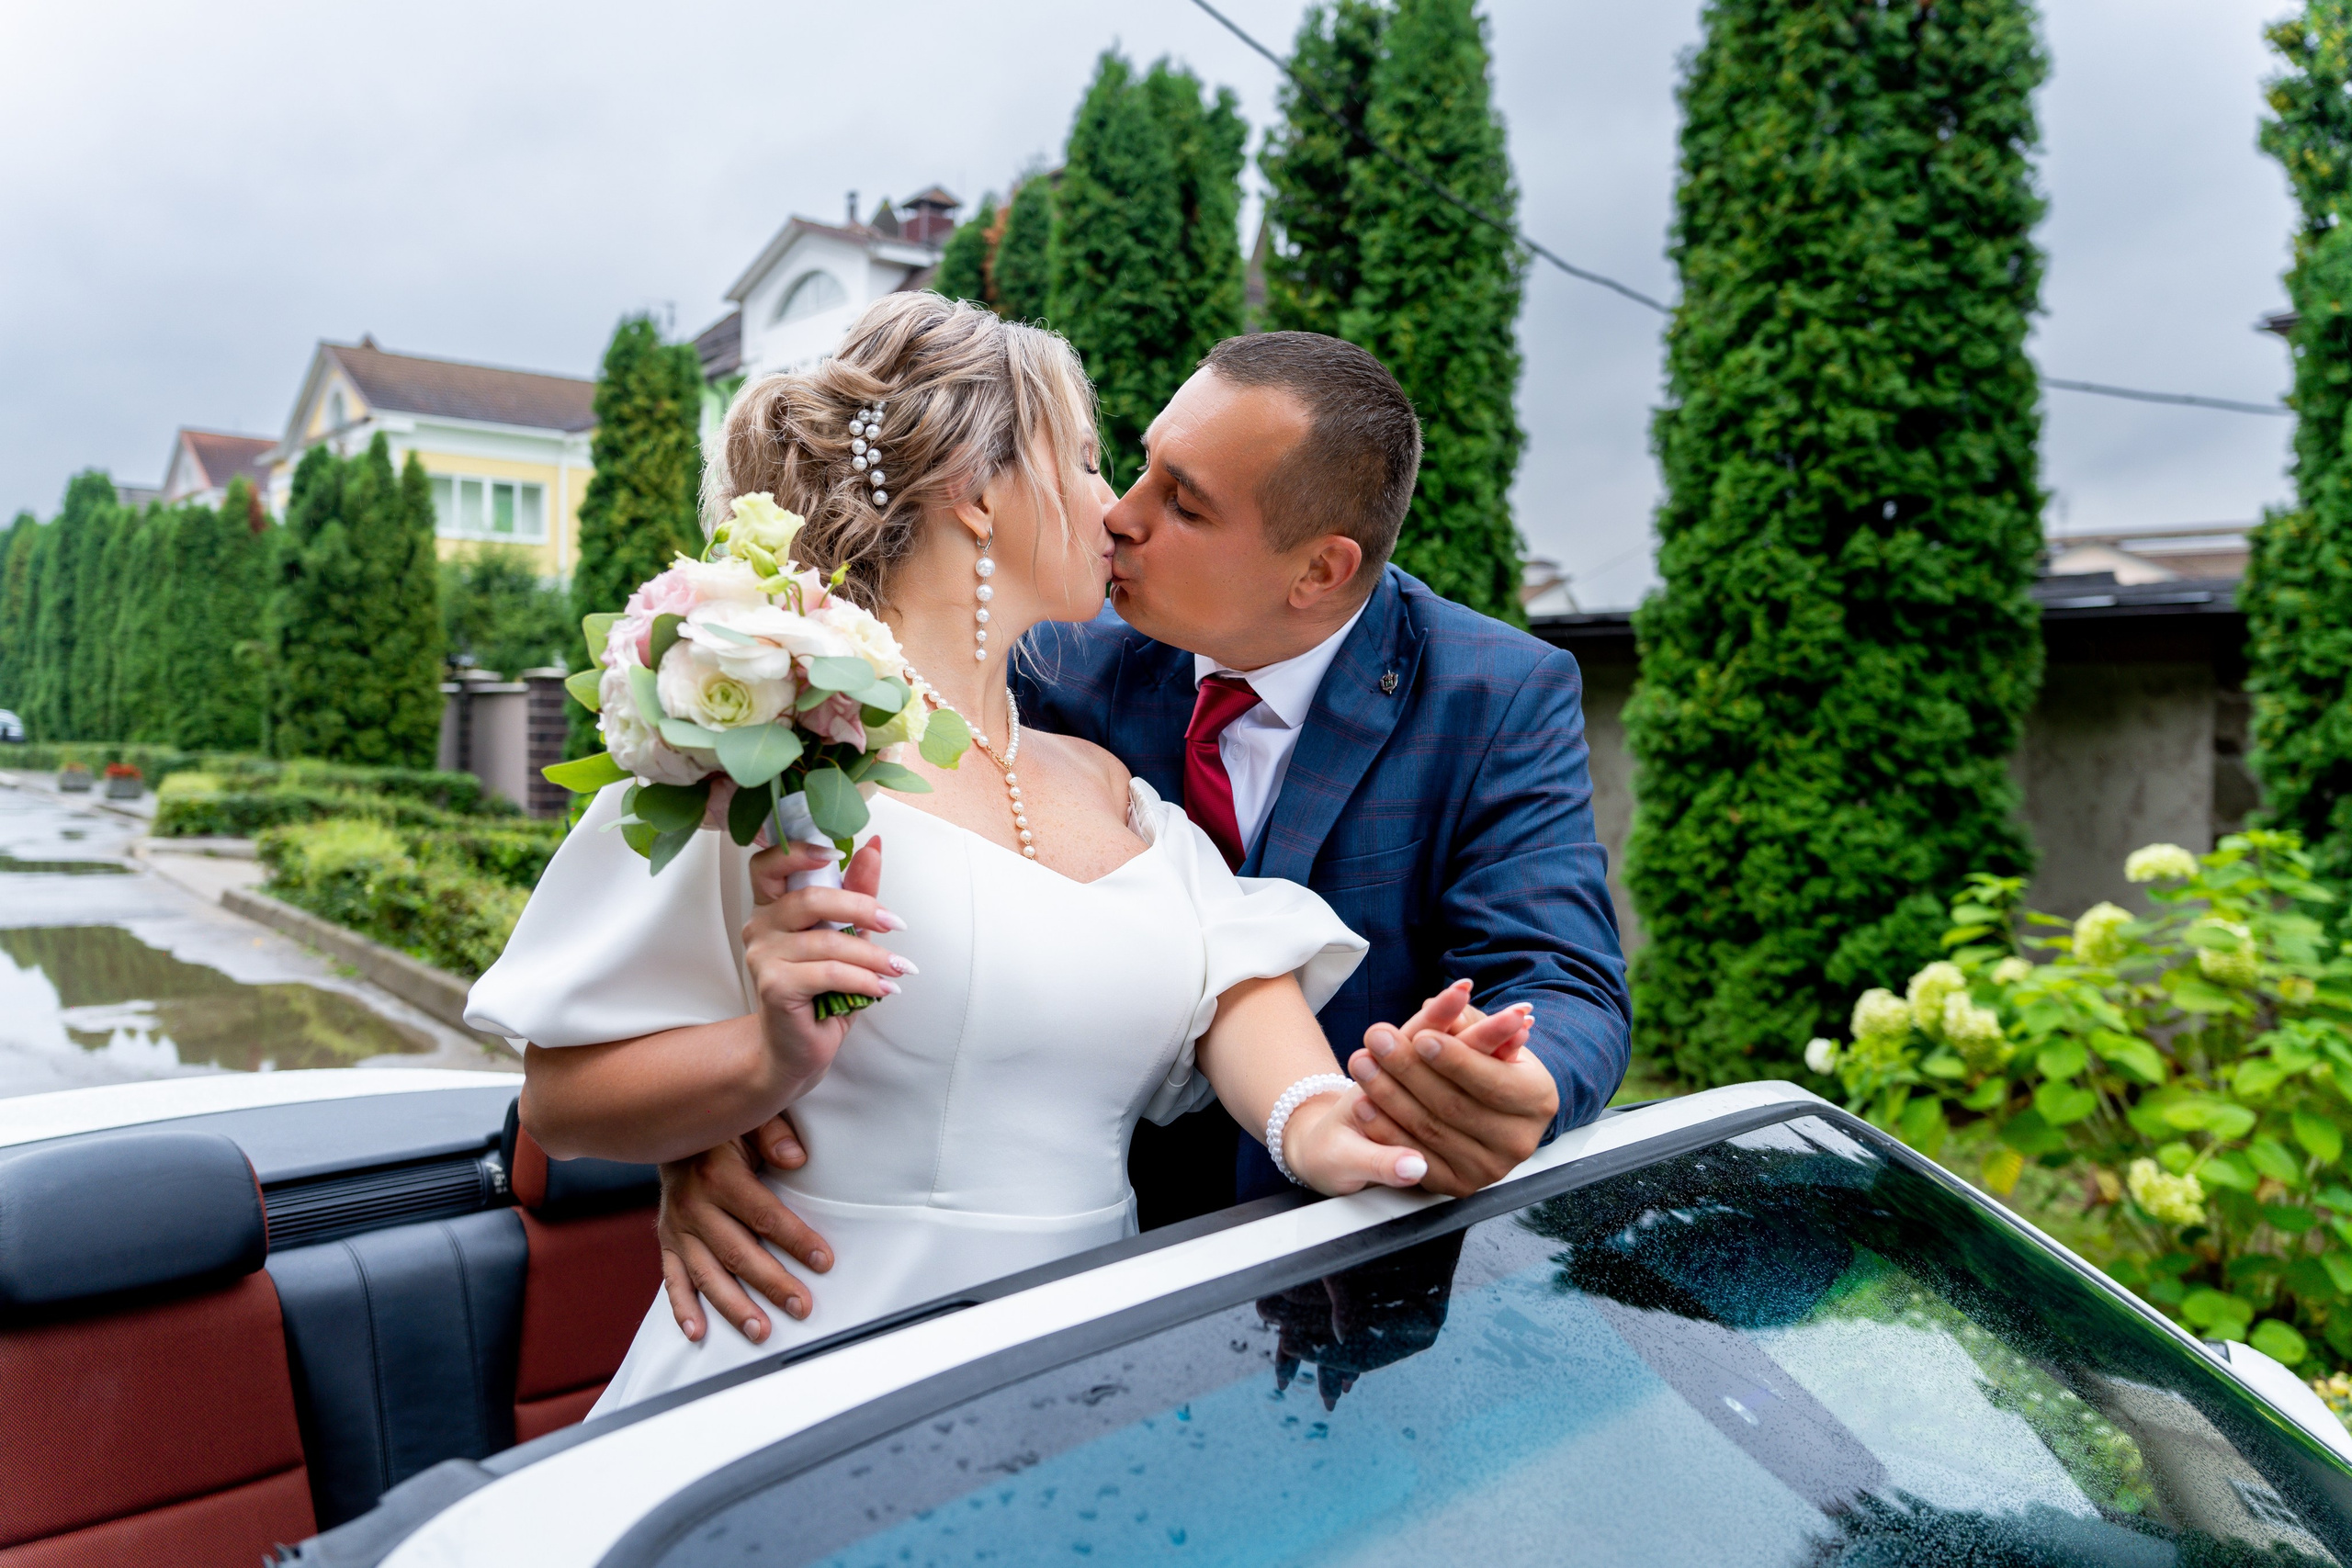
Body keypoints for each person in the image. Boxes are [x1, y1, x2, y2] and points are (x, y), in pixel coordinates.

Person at [466, 295, 1531, 1414]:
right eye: (1082, 461)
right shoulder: (765, 756)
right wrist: (761, 1064)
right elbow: (564, 1098)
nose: (1112, 509)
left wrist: (1321, 1122)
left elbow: (1234, 979)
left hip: (1078, 1379)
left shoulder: (1104, 779)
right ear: (976, 495)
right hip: (810, 1369)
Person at [650, 329, 1633, 1352]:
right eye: (1134, 464)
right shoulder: (1045, 658)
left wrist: (1525, 1085)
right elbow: (769, 843)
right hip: (1061, 1283)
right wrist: (709, 1116)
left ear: (1319, 570)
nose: (1121, 513)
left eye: (1185, 502)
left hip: (1350, 1285)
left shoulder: (1493, 695)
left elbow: (1561, 979)